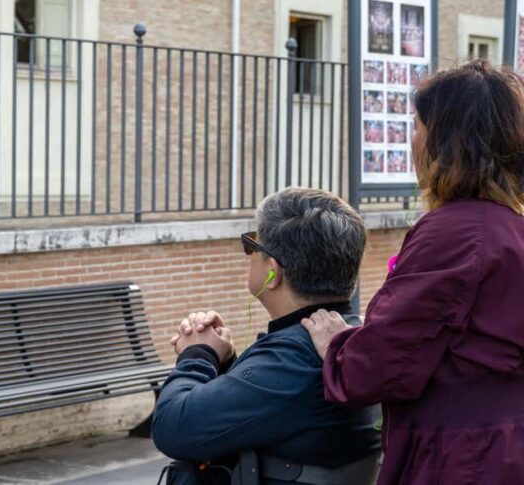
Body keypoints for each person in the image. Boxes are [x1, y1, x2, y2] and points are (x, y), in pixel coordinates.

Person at [302, 61, 524, 484]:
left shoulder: (456, 234)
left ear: (447, 142)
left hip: (463, 459)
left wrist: (337, 345)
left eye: (418, 127)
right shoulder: (510, 228)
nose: (412, 140)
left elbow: (382, 365)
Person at [152, 187, 381, 485]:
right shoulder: (351, 339)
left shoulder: (295, 358)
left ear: (273, 272)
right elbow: (267, 410)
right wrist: (226, 361)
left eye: (252, 246)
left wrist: (197, 355)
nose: (249, 254)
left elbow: (173, 428)